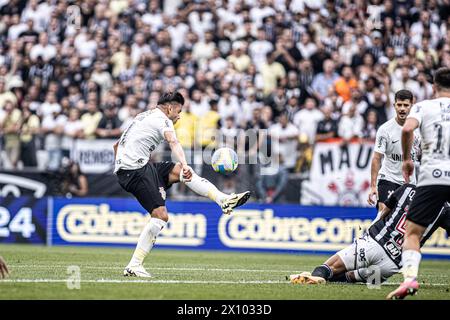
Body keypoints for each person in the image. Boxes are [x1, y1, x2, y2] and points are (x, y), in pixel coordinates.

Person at [114, 91, 250, 277]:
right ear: (169, 107)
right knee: (161, 215)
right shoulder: (163, 120)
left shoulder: (143, 116)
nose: (179, 115)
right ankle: (134, 265)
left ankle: (223, 199)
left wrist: (120, 166)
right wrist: (186, 164)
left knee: (178, 171)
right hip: (134, 170)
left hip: (137, 167)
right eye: (178, 110)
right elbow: (173, 141)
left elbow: (116, 145)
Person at [289, 184, 450, 285]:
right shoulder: (445, 209)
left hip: (374, 243)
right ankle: (317, 278)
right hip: (393, 265)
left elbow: (383, 212)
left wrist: (371, 229)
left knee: (328, 268)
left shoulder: (407, 189)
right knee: (349, 277)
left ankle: (313, 277)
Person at [387, 67, 450, 299]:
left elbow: (408, 129)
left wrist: (406, 160)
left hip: (432, 176)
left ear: (434, 86)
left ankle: (410, 280)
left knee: (412, 233)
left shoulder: (423, 106)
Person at [367, 90, 421, 212]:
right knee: (383, 213)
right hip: (388, 178)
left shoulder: (419, 129)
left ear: (412, 106)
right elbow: (376, 158)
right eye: (399, 105)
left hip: (409, 183)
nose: (402, 109)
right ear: (394, 105)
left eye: (406, 105)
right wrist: (373, 186)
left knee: (405, 222)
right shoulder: (385, 129)